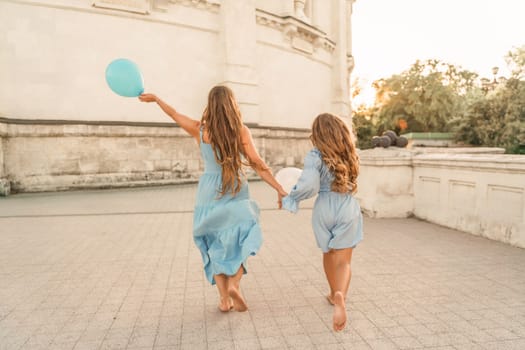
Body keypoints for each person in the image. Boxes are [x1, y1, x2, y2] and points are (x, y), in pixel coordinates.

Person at [139, 86, 287, 312]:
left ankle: (224, 300)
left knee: (214, 242)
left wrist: (157, 100)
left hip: (209, 189)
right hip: (235, 186)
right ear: (232, 105)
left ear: (210, 105)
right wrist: (279, 188)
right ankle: (234, 285)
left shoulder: (199, 130)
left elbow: (174, 114)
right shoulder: (241, 131)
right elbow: (258, 164)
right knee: (242, 236)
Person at [280, 113, 363, 331]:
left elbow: (309, 185)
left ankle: (332, 291)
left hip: (324, 207)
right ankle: (340, 295)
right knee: (344, 261)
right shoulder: (350, 153)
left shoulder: (315, 155)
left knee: (328, 252)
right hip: (346, 205)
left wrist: (291, 198)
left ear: (317, 134)